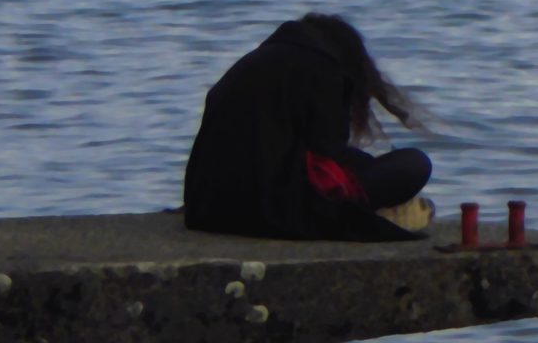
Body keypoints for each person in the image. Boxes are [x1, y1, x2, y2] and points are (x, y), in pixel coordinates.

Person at [183, 14, 432, 240]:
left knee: (363, 162)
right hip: (270, 209)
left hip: (209, 207)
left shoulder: (253, 63)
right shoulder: (323, 70)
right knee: (415, 163)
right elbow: (327, 149)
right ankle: (379, 209)